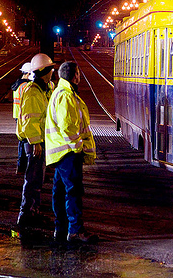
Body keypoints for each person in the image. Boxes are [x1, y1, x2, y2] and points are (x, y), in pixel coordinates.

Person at [45, 61, 97, 243]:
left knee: (59, 191)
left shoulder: (60, 93)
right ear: (75, 76)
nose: (80, 77)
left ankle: (61, 228)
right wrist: (78, 148)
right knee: (73, 190)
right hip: (67, 152)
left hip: (59, 152)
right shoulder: (66, 96)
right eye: (79, 74)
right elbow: (68, 127)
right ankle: (75, 231)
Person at [16, 53, 55, 230]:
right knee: (33, 178)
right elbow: (29, 120)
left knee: (37, 178)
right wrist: (36, 142)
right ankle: (26, 214)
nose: (52, 72)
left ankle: (33, 211)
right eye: (50, 69)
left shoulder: (43, 90)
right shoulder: (33, 92)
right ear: (43, 71)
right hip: (34, 144)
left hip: (38, 142)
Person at [11, 62, 32, 176]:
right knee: (26, 141)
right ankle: (23, 166)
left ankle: (21, 166)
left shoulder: (17, 84)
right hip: (24, 115)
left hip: (17, 115)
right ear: (28, 74)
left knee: (22, 141)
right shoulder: (26, 86)